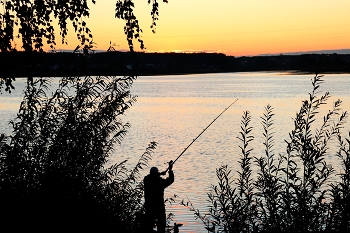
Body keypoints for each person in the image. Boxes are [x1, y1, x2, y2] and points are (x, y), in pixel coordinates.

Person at [144, 161, 174, 233]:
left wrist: (160, 174)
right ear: (157, 173)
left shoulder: (147, 180)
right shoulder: (160, 182)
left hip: (149, 206)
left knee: (149, 225)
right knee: (161, 225)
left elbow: (149, 176)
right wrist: (170, 170)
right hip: (159, 206)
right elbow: (170, 180)